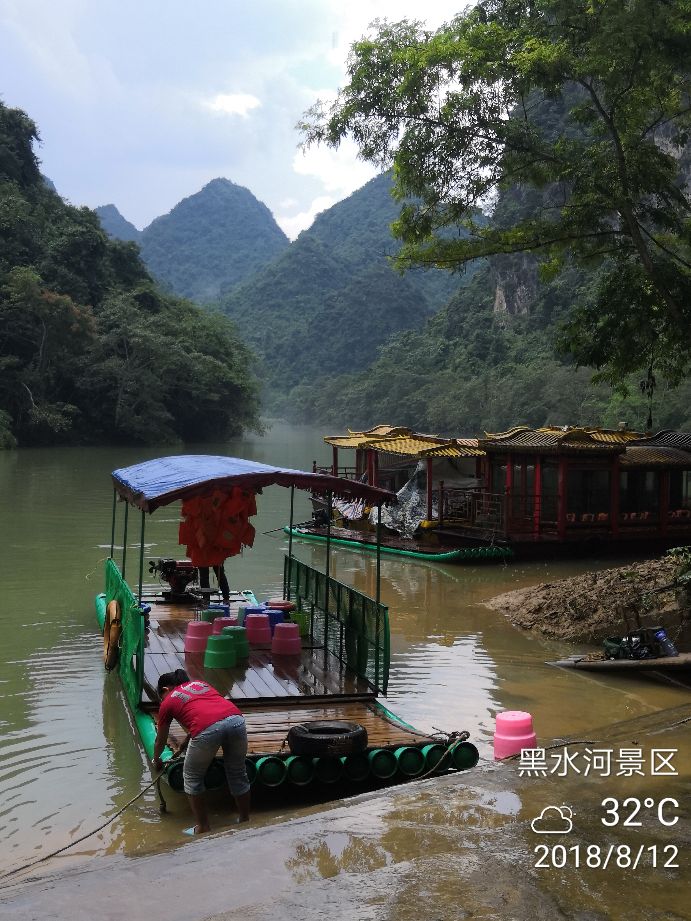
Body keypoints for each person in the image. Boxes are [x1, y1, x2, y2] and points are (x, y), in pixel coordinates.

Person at [153, 668, 250, 833]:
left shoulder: (168, 700)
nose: (162, 700)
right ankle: (245, 819)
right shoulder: (200, 684)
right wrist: (184, 745)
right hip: (236, 720)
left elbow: (160, 740)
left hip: (208, 730)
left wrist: (157, 759)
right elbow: (206, 712)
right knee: (237, 772)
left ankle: (203, 827)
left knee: (191, 778)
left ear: (165, 690)